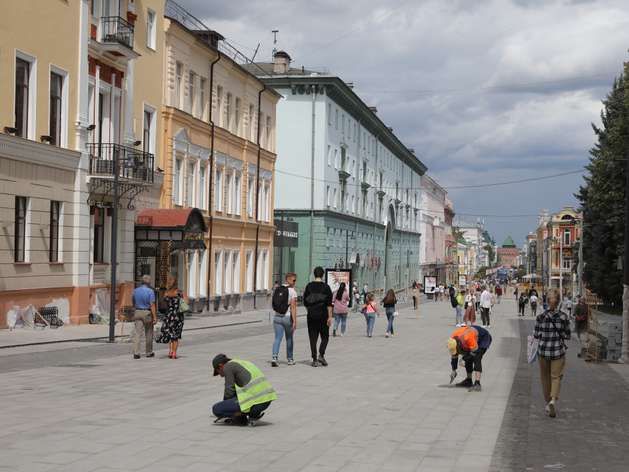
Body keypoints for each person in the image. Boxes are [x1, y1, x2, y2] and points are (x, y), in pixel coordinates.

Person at [533, 290, 571, 418]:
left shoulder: (540, 317)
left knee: (545, 377)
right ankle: (553, 399)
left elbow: (536, 334)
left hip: (543, 350)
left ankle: (547, 402)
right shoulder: (564, 316)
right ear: (559, 301)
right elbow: (567, 335)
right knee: (556, 377)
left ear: (547, 301)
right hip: (558, 351)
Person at [212, 354, 276, 425]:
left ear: (221, 366)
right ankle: (252, 415)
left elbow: (229, 390)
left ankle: (246, 414)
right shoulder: (242, 363)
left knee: (216, 409)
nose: (221, 376)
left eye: (219, 372)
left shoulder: (228, 366)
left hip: (257, 403)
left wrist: (225, 411)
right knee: (236, 394)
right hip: (265, 400)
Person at [447, 325, 492, 392]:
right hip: (472, 341)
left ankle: (477, 384)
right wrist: (453, 370)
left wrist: (464, 359)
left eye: (456, 349)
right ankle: (468, 381)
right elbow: (454, 356)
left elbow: (475, 350)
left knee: (476, 357)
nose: (456, 351)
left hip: (483, 339)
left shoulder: (467, 337)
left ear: (458, 345)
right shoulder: (453, 342)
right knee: (468, 356)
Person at [303, 266, 333, 367]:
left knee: (313, 337)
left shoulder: (309, 287)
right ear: (322, 275)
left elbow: (305, 302)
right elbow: (329, 304)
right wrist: (329, 317)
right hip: (323, 316)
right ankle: (321, 354)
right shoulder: (326, 287)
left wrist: (310, 311)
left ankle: (314, 359)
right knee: (325, 336)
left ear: (315, 274)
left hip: (311, 316)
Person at [156, 277, 189, 359]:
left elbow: (165, 306)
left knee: (170, 333)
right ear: (176, 284)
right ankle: (174, 353)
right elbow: (187, 302)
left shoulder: (166, 293)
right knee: (176, 334)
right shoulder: (180, 292)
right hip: (178, 316)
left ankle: (170, 351)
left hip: (169, 316)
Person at [271, 272, 298, 366]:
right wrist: (294, 321)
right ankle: (290, 359)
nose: (295, 282)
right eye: (294, 280)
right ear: (288, 279)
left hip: (277, 317)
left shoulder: (277, 288)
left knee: (277, 338)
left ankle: (274, 357)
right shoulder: (292, 291)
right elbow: (293, 307)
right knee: (289, 338)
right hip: (287, 318)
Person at [131, 275, 157, 359]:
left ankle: (136, 352)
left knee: (138, 333)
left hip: (138, 311)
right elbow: (152, 304)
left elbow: (133, 302)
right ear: (148, 282)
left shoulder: (135, 291)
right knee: (149, 332)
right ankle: (149, 352)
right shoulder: (150, 291)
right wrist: (155, 316)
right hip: (147, 312)